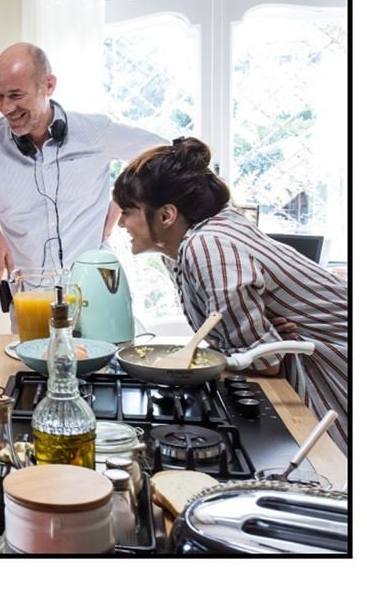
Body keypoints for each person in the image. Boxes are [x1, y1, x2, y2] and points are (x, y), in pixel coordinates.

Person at [113, 137, 349, 454]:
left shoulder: (207, 245)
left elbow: (264, 362)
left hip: (335, 367)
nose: (120, 222)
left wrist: (259, 346)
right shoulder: (200, 236)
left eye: (128, 211)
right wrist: (262, 339)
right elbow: (251, 347)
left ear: (166, 215)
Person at [0, 42, 165, 285]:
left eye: (16, 95)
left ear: (48, 85)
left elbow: (165, 154)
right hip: (31, 300)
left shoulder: (95, 131)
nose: (6, 107)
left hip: (96, 290)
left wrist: (121, 201)